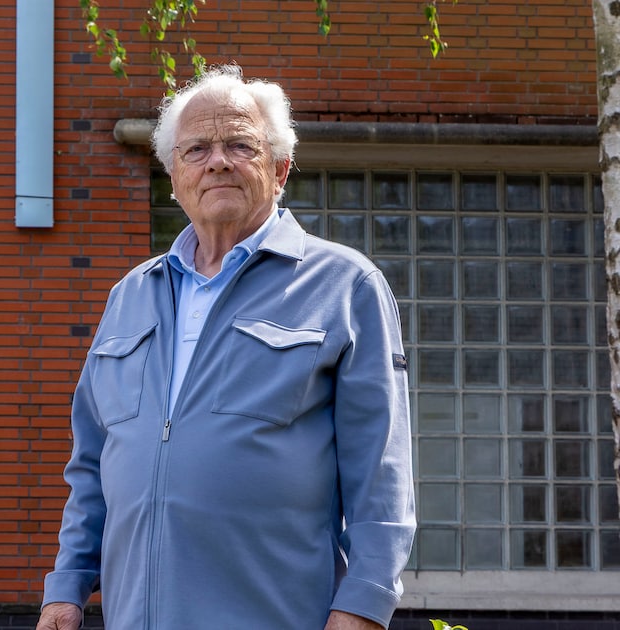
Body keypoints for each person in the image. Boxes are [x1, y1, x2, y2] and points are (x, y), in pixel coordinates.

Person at [36, 65, 416, 630]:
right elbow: (92, 465)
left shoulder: (344, 286)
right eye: (196, 149)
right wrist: (66, 588)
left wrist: (363, 605)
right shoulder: (131, 295)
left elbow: (380, 472)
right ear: (173, 175)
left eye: (240, 144)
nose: (217, 160)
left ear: (281, 168)